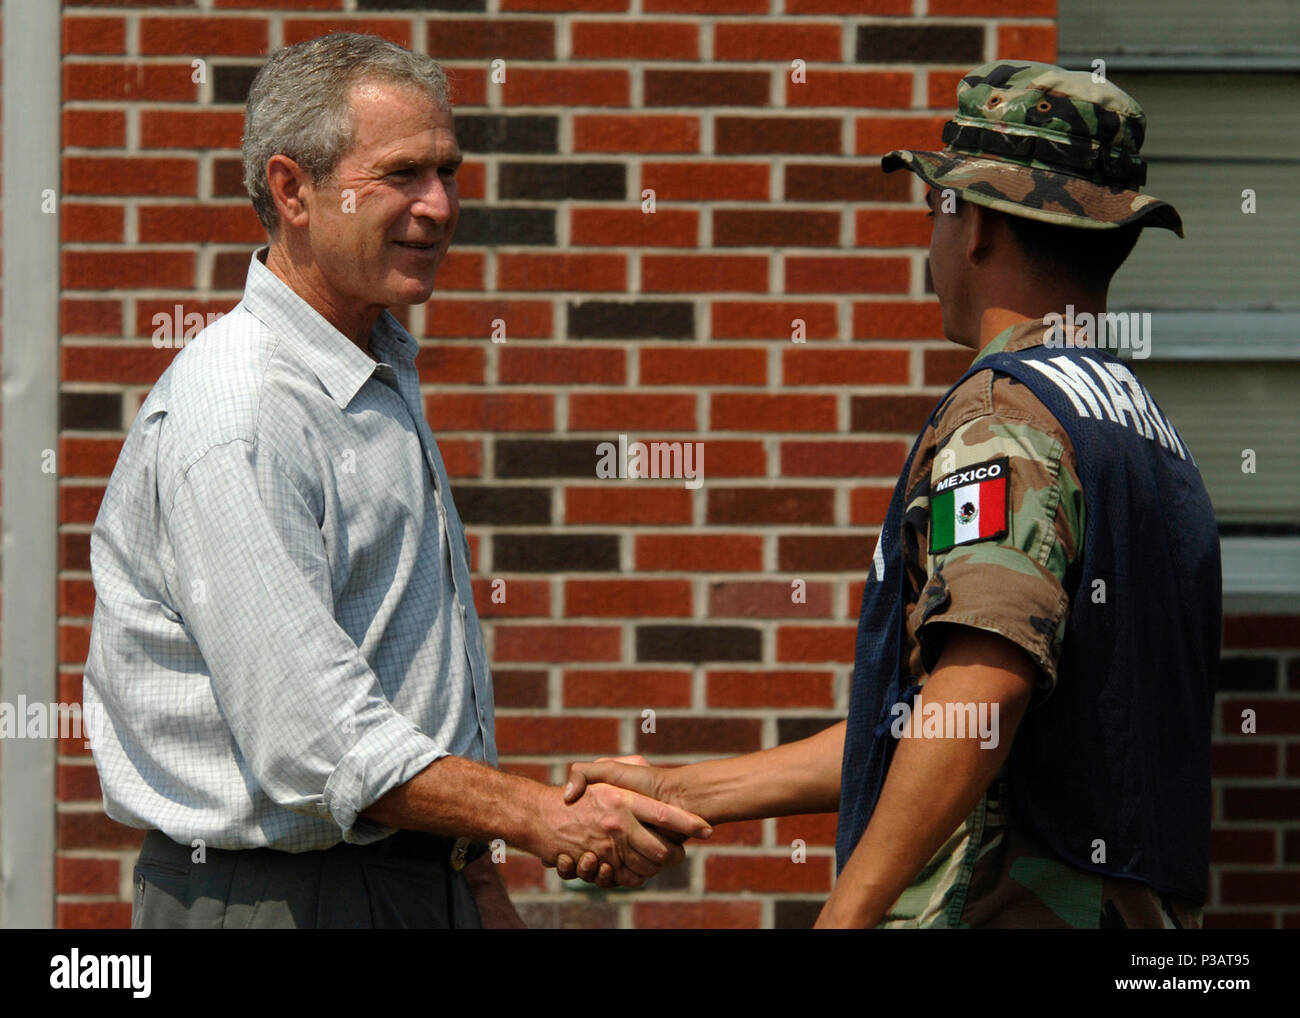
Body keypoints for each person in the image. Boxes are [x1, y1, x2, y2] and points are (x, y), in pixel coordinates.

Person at [563, 60, 1221, 929]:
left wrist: (846, 917)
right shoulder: (1149, 437)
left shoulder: (1005, 417)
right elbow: (932, 721)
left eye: (933, 210)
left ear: (975, 222)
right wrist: (681, 787)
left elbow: (983, 689)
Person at [83, 32, 709, 930]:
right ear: (293, 190)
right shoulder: (244, 414)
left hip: (397, 882)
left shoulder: (362, 367)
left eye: (449, 171)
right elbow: (317, 743)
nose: (441, 205)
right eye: (404, 173)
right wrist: (537, 816)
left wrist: (475, 879)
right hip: (286, 900)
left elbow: (407, 685)